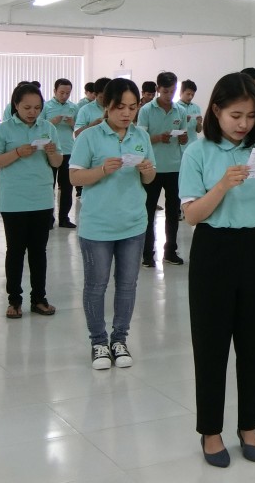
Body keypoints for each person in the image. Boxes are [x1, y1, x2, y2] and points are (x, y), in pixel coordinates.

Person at [179, 73, 255, 467]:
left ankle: (249, 425)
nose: (243, 124)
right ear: (216, 111)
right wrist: (222, 185)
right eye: (235, 115)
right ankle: (210, 430)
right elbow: (192, 215)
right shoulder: (198, 152)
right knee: (211, 345)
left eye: (251, 116)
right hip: (214, 251)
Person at [69, 79, 157, 369]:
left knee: (127, 285)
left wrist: (147, 170)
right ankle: (98, 342)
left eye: (132, 107)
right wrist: (102, 170)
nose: (127, 113)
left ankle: (120, 339)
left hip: (133, 223)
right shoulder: (89, 137)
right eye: (120, 107)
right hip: (97, 226)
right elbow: (74, 177)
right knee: (96, 285)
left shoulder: (141, 136)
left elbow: (149, 179)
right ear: (106, 106)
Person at [0, 83, 62, 319]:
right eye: (27, 107)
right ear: (16, 105)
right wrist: (17, 153)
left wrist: (52, 153)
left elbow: (58, 163)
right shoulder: (3, 129)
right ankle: (14, 300)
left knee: (38, 251)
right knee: (15, 251)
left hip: (41, 198)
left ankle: (39, 298)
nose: (32, 112)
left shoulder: (48, 127)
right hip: (14, 200)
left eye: (37, 108)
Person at [138, 71, 188, 267]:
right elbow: (141, 139)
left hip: (174, 167)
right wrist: (159, 138)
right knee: (148, 212)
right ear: (158, 89)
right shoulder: (146, 110)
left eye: (172, 91)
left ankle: (170, 251)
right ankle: (147, 254)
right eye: (165, 91)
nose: (169, 95)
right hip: (152, 168)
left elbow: (184, 137)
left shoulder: (180, 111)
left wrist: (183, 138)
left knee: (173, 213)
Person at [42, 78, 79, 229]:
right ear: (54, 91)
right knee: (48, 186)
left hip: (68, 151)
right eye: (61, 92)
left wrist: (72, 123)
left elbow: (79, 129)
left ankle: (64, 218)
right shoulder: (45, 106)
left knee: (67, 187)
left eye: (67, 93)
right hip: (50, 151)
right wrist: (52, 122)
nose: (64, 96)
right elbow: (38, 127)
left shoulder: (74, 107)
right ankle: (48, 218)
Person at [177, 79, 203, 144]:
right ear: (181, 92)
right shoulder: (175, 108)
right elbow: (172, 131)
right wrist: (184, 122)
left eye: (192, 95)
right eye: (188, 94)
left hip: (193, 144)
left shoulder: (196, 108)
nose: (190, 97)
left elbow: (198, 131)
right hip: (180, 146)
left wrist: (199, 123)